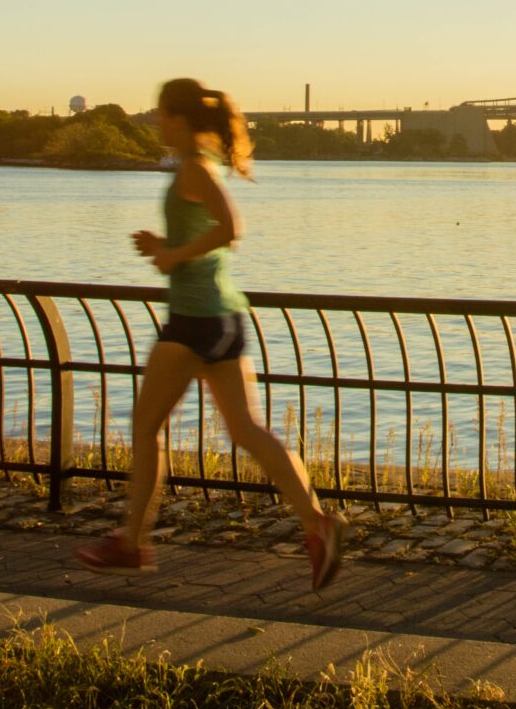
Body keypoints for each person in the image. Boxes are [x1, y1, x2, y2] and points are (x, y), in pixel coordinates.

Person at [76, 78, 350, 589]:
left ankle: (131, 543)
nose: (156, 121)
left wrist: (170, 256)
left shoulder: (196, 169)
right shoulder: (199, 168)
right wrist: (167, 244)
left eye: (161, 113)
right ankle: (317, 521)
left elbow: (230, 229)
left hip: (194, 320)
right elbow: (210, 232)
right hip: (223, 318)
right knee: (246, 430)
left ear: (180, 119)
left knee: (145, 427)